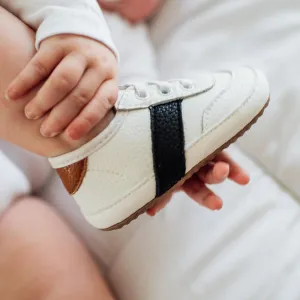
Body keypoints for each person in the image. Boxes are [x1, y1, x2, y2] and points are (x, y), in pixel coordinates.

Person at [0, 0, 269, 230]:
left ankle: (108, 140)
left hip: (14, 187)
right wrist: (76, 25)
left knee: (48, 267)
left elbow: (140, 106)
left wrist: (171, 159)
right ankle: (101, 138)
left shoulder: (131, 40)